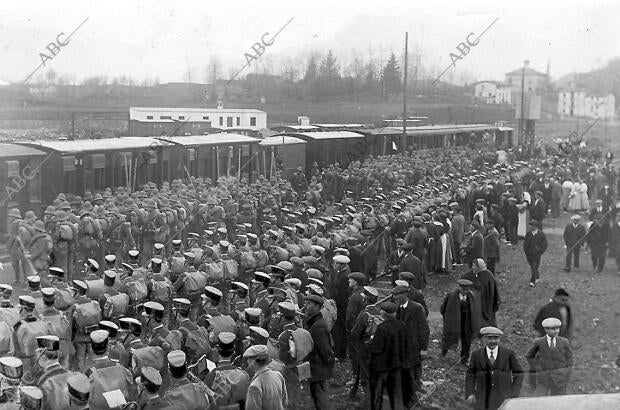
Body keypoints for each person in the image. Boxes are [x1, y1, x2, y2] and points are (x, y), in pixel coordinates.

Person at [465, 326, 523, 410]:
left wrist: (513, 394)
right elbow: (470, 375)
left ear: (499, 339)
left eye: (496, 338)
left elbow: (519, 374)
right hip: (482, 399)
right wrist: (470, 393)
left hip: (504, 398)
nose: (493, 341)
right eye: (489, 338)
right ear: (484, 339)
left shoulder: (508, 354)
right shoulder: (476, 354)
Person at [393, 285, 429, 409]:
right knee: (403, 375)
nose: (395, 297)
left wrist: (424, 349)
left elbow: (424, 329)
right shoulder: (397, 308)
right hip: (401, 349)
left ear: (405, 295)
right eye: (394, 295)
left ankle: (414, 401)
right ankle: (405, 400)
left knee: (414, 375)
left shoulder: (417, 308)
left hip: (413, 348)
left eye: (397, 295)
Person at [368, 302, 407, 410]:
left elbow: (377, 348)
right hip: (396, 365)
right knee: (394, 392)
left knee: (377, 392)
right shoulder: (402, 325)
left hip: (380, 367)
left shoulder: (382, 328)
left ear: (383, 313)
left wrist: (371, 341)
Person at [525, 317, 573, 396]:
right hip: (543, 378)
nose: (556, 331)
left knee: (558, 401)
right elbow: (529, 355)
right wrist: (537, 367)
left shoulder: (564, 342)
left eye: (557, 328)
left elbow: (569, 358)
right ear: (546, 330)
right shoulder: (539, 342)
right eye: (553, 329)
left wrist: (566, 372)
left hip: (559, 379)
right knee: (541, 400)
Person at [304, 294, 334, 410]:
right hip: (314, 367)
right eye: (306, 302)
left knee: (320, 397)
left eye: (309, 304)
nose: (306, 306)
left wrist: (329, 366)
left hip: (318, 368)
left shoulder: (318, 326)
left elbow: (325, 350)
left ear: (318, 306)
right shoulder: (314, 322)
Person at [440, 279, 481, 365]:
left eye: (467, 289)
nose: (464, 291)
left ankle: (465, 358)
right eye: (463, 289)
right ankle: (444, 351)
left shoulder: (472, 297)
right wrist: (448, 318)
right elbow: (443, 308)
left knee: (467, 340)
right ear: (459, 288)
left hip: (467, 322)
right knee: (449, 336)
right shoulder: (451, 296)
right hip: (454, 321)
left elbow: (475, 310)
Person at [244, 344, 288, 410]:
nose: (247, 361)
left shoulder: (255, 386)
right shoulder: (278, 375)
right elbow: (285, 402)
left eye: (248, 359)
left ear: (253, 362)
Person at [461, 259, 500, 327]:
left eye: (474, 265)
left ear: (479, 267)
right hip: (476, 302)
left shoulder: (488, 275)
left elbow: (493, 288)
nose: (473, 267)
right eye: (472, 265)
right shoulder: (468, 275)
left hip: (487, 302)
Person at [523, 220, 547, 288]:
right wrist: (526, 250)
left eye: (531, 225)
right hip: (529, 254)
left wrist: (540, 251)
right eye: (529, 225)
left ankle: (532, 281)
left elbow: (545, 244)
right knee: (533, 266)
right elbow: (525, 243)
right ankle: (537, 276)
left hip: (536, 254)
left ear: (535, 226)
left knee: (534, 267)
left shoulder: (541, 234)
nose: (529, 227)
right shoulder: (528, 234)